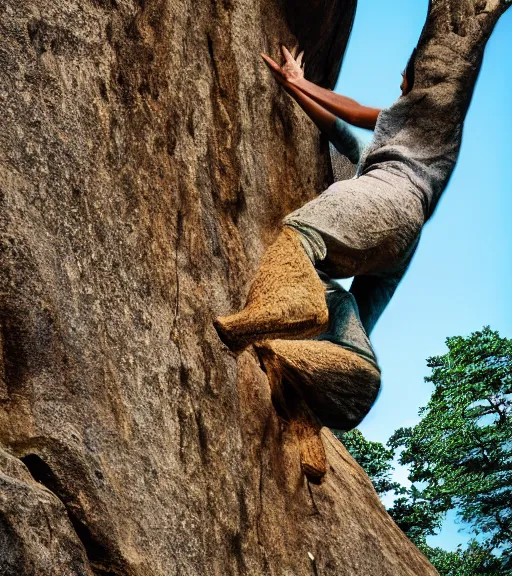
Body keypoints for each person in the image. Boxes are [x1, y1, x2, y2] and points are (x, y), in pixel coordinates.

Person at [214, 0, 509, 436]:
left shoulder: (432, 111)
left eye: (403, 80)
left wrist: (300, 79)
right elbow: (341, 132)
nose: (398, 84)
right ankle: (343, 379)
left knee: (299, 237)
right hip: (402, 237)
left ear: (416, 82)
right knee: (345, 311)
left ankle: (270, 314)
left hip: (385, 197)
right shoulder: (402, 136)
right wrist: (297, 88)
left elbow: (351, 112)